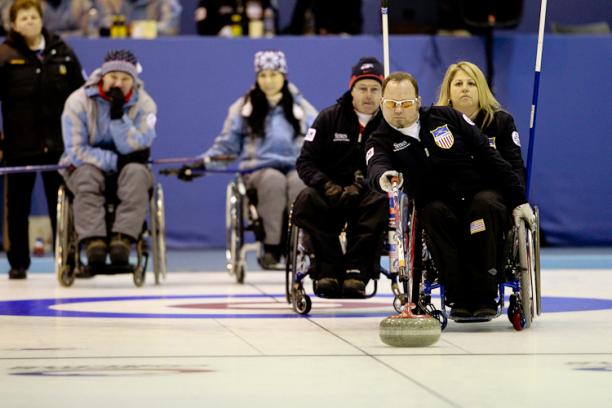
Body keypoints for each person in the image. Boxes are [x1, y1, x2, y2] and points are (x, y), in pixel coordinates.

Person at [366, 71, 535, 318]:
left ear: (418, 101)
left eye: (405, 104)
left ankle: (485, 295)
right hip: (437, 203)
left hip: (480, 195)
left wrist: (519, 200)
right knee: (434, 214)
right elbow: (375, 165)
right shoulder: (379, 139)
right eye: (391, 104)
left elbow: (490, 156)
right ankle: (459, 298)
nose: (398, 110)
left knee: (482, 208)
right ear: (382, 104)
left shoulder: (446, 117)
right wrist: (384, 176)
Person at [179, 50, 317, 269]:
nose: (268, 81)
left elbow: (318, 141)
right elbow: (226, 147)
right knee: (273, 180)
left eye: (274, 74)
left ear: (284, 76)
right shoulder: (243, 108)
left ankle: (298, 244)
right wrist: (201, 164)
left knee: (299, 183)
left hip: (295, 168)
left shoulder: (301, 107)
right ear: (256, 78)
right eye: (263, 75)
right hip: (258, 171)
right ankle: (271, 246)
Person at [0, 0, 84, 279]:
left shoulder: (63, 52)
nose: (29, 22)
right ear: (13, 25)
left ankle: (68, 258)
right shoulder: (4, 56)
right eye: (22, 18)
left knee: (61, 204)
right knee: (17, 207)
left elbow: (80, 97)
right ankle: (18, 263)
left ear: (41, 19)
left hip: (58, 145)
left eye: (33, 17)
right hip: (19, 145)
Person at [293, 57, 388, 298]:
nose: (368, 95)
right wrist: (326, 185)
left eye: (375, 89)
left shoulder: (389, 124)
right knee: (307, 199)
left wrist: (364, 185)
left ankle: (357, 272)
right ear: (351, 89)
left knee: (379, 200)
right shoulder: (328, 118)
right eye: (362, 89)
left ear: (383, 92)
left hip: (367, 191)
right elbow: (305, 162)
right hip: (330, 191)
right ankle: (327, 270)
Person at [60, 49, 156, 267]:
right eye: (113, 77)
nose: (118, 84)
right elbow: (75, 149)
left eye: (125, 79)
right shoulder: (77, 102)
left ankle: (123, 238)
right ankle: (94, 241)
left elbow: (137, 144)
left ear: (133, 81)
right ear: (103, 77)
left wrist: (118, 116)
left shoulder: (146, 105)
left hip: (128, 166)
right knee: (87, 177)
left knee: (137, 175)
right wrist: (116, 161)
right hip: (86, 164)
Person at [436, 60, 526, 185]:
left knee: (485, 200)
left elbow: (515, 168)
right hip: (451, 195)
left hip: (491, 193)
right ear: (448, 92)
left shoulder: (501, 122)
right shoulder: (435, 124)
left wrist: (518, 200)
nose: (465, 89)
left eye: (471, 84)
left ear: (481, 90)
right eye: (458, 84)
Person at [94, 0, 182, 36]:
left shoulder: (167, 1)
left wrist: (137, 29)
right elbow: (101, 22)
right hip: (122, 51)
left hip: (156, 49)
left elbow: (170, 28)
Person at [283, 0, 362, 35]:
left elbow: (354, 26)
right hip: (310, 46)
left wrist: (331, 32)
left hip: (339, 44)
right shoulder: (309, 2)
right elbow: (296, 26)